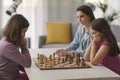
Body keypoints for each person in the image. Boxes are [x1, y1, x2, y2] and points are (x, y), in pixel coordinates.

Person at [0, 14, 31, 80]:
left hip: (15, 76)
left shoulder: (7, 41)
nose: (24, 35)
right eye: (24, 31)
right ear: (16, 30)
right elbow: (27, 63)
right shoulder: (7, 46)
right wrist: (24, 46)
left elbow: (16, 62)